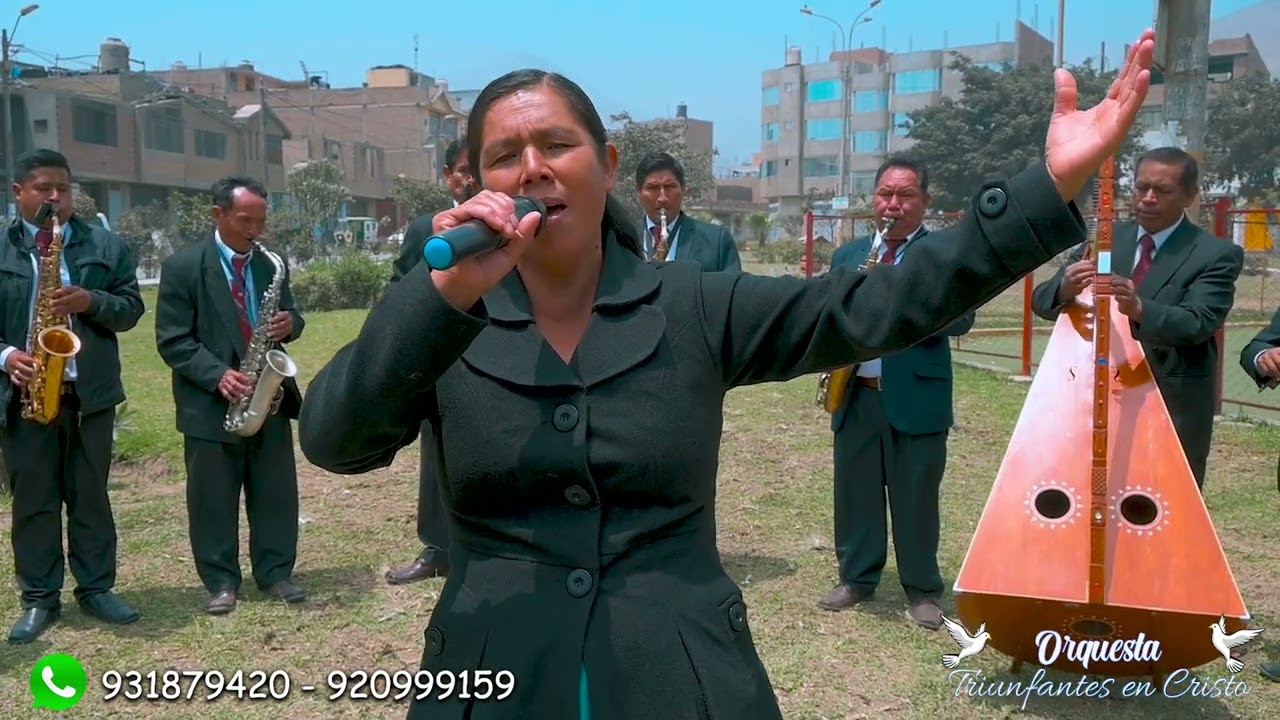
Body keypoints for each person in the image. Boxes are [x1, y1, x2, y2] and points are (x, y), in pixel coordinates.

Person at [298, 29, 1155, 719]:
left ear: (605, 162)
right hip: (493, 674)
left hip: (680, 672)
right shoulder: (444, 311)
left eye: (557, 143)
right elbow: (336, 442)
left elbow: (875, 306)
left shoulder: (697, 305)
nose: (532, 167)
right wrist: (441, 295)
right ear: (476, 182)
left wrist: (1049, 185)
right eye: (505, 154)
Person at [817, 158, 972, 631]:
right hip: (858, 394)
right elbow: (828, 315)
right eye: (885, 194)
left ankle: (923, 589)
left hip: (916, 396)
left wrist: (899, 300)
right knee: (855, 492)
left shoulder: (944, 252)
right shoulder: (850, 256)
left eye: (905, 196)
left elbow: (962, 319)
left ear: (925, 201)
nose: (893, 204)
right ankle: (858, 578)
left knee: (916, 495)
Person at [1031, 146, 1243, 490]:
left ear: (1190, 195)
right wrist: (1064, 288)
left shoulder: (1216, 254)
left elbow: (1198, 322)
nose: (1147, 198)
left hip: (1169, 404)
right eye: (1141, 187)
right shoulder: (1105, 240)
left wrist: (1138, 308)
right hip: (1095, 399)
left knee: (1165, 510)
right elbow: (1041, 301)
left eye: (1162, 190)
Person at [0, 148, 145, 644]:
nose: (55, 198)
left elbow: (130, 309)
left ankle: (97, 589)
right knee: (35, 501)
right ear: (18, 192)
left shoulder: (103, 244)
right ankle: (40, 599)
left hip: (89, 394)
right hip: (27, 395)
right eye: (43, 188)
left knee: (90, 497)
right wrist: (5, 357)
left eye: (62, 187)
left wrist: (91, 301)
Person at [154, 176, 307, 615]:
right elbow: (172, 339)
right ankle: (221, 581)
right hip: (211, 403)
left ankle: (276, 572)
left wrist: (290, 324)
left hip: (268, 397)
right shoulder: (183, 267)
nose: (255, 230)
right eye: (245, 220)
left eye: (261, 221)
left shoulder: (270, 263)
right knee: (212, 499)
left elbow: (293, 314)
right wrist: (218, 374)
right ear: (217, 215)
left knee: (276, 493)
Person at [384, 137, 475, 585]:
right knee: (437, 454)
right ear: (446, 176)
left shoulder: (514, 223)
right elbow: (399, 288)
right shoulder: (425, 229)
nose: (469, 177)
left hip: (504, 361)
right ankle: (438, 549)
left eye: (476, 167)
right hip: (444, 362)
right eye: (461, 169)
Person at [634, 151, 741, 271]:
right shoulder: (619, 239)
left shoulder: (717, 241)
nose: (662, 198)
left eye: (670, 187)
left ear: (683, 189)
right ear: (639, 192)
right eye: (653, 188)